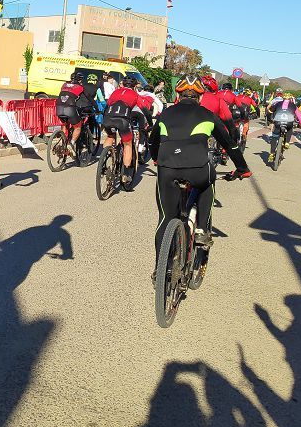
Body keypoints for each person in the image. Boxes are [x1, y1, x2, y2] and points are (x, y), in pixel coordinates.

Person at [147, 75, 250, 283]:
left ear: (178, 94)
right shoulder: (207, 115)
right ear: (200, 97)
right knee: (208, 181)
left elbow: (152, 142)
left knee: (165, 219)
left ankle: (160, 268)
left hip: (167, 169)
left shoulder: (166, 114)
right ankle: (202, 227)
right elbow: (230, 144)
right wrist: (242, 168)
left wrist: (158, 160)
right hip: (197, 168)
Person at [101, 78, 140, 189]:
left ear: (122, 84)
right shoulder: (135, 94)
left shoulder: (115, 92)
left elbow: (107, 105)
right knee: (127, 144)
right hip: (122, 120)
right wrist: (149, 123)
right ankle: (126, 174)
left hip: (108, 118)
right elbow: (143, 109)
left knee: (110, 136)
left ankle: (104, 159)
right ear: (134, 86)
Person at [55, 72, 94, 160]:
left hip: (59, 107)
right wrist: (97, 108)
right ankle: (71, 144)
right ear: (80, 80)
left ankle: (62, 143)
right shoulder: (80, 87)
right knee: (77, 127)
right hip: (70, 108)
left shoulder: (64, 84)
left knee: (65, 124)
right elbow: (89, 98)